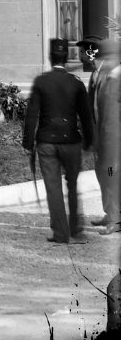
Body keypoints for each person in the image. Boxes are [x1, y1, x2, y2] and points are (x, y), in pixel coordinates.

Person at [23, 37, 93, 244]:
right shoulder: (76, 83)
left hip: (46, 142)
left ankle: (61, 234)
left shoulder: (41, 81)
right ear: (66, 59)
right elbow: (86, 115)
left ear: (50, 56)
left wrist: (27, 143)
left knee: (53, 188)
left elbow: (31, 115)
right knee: (72, 185)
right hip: (71, 141)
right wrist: (89, 140)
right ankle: (76, 230)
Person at [90, 36, 121, 235]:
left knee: (111, 175)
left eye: (108, 57)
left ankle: (115, 219)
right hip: (104, 138)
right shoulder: (108, 77)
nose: (104, 61)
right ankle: (110, 213)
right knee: (105, 175)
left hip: (115, 140)